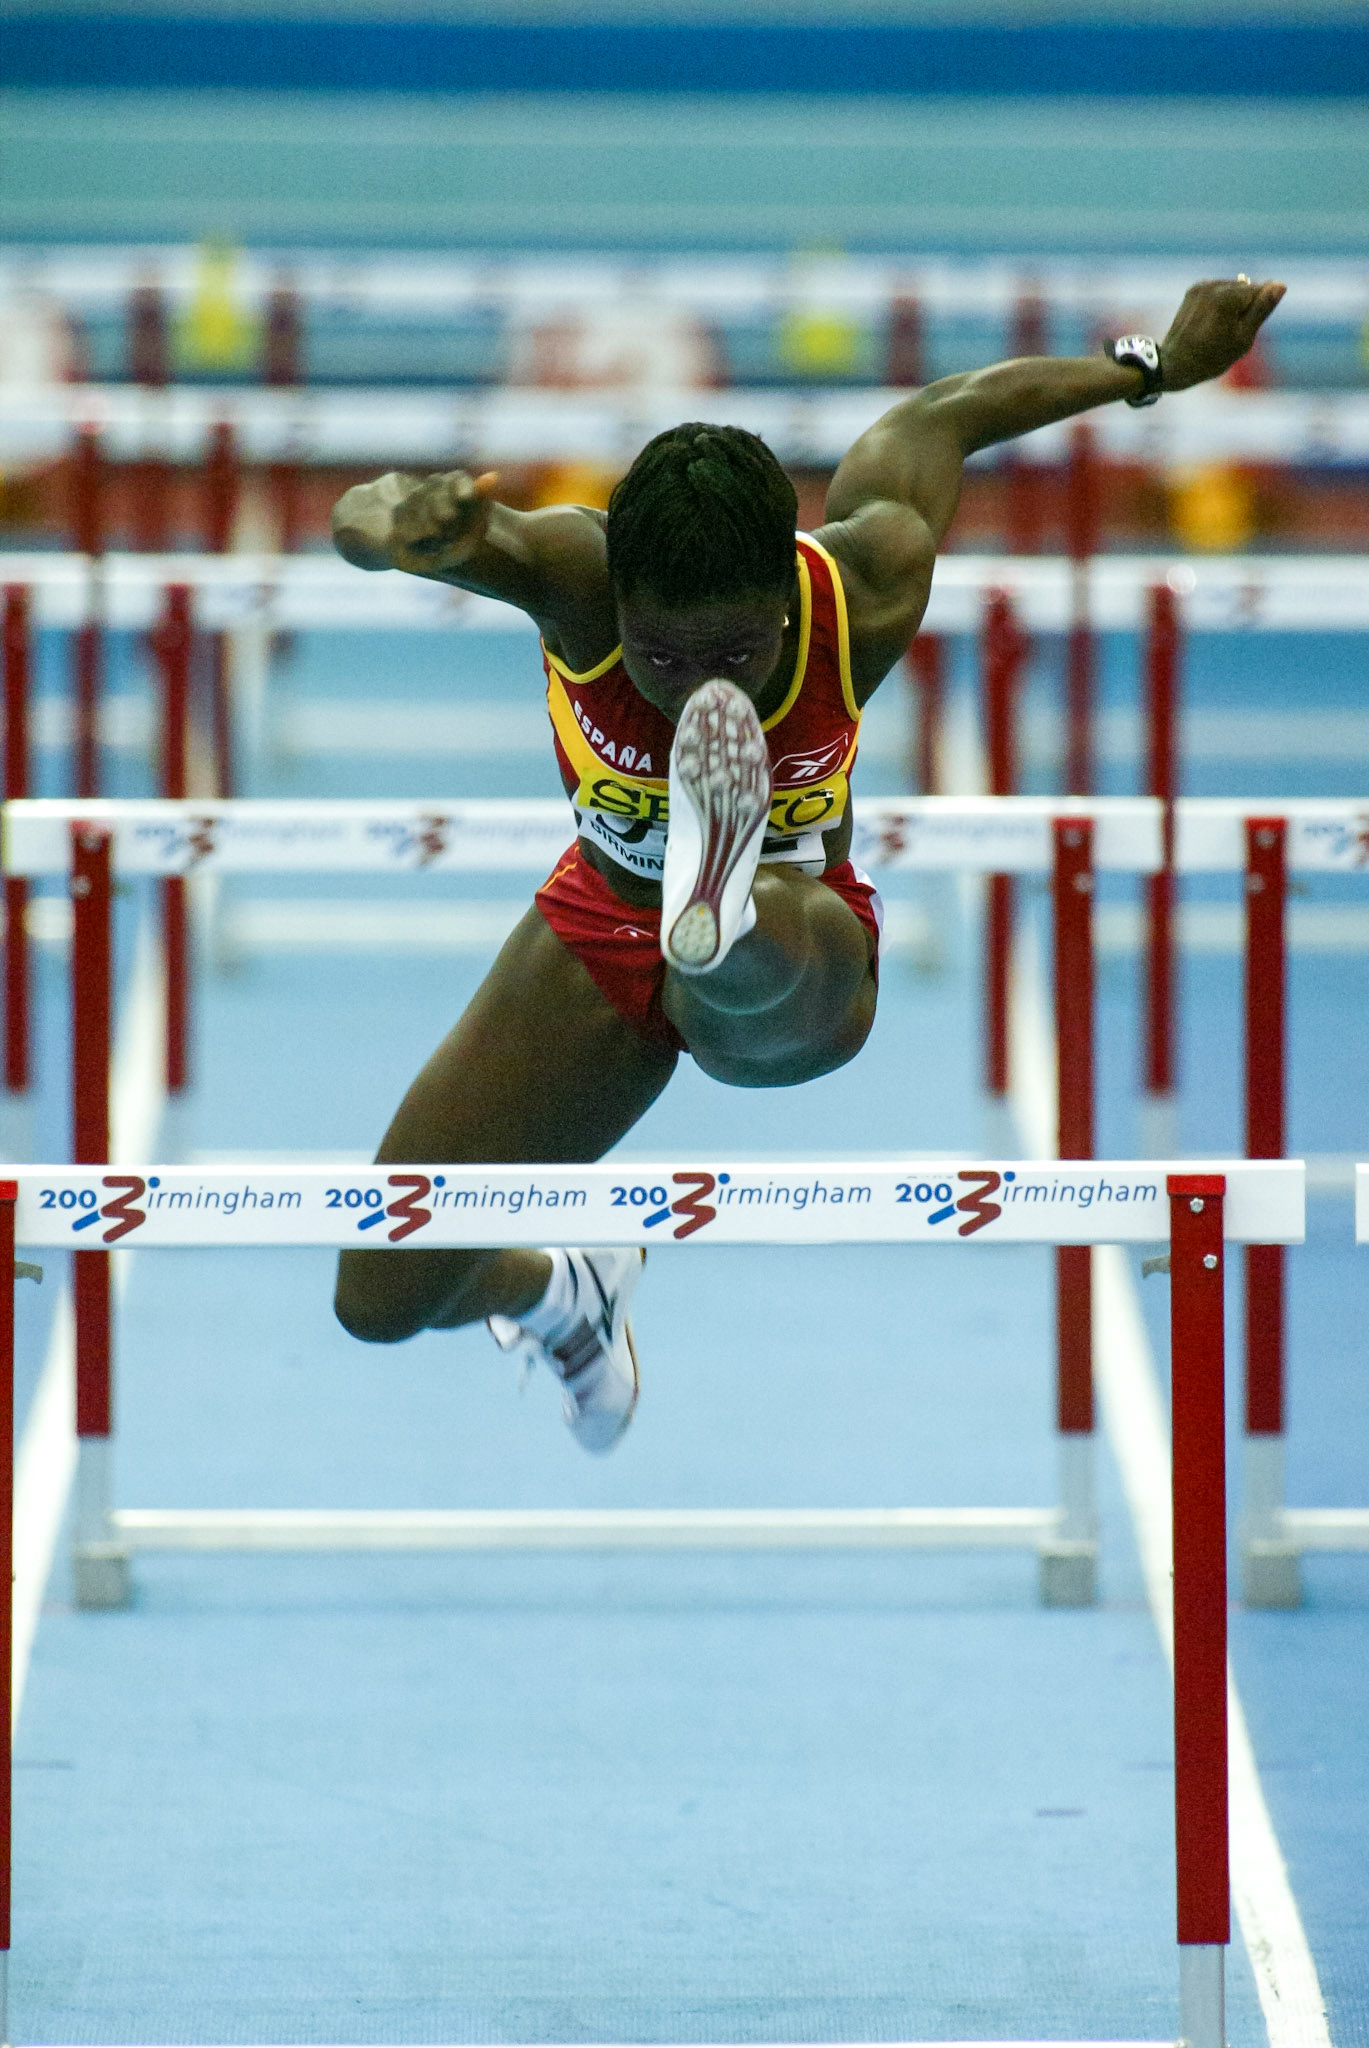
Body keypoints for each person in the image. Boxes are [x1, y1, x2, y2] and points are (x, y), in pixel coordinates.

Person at [330, 275, 1284, 1452]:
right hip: (596, 925)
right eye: (659, 656)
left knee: (736, 958)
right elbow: (363, 515)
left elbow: (945, 415)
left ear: (789, 594)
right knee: (381, 1297)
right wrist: (397, 531)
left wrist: (1152, 367)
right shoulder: (571, 572)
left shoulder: (861, 586)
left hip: (801, 952)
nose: (697, 686)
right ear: (617, 599)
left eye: (732, 650)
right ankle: (562, 1290)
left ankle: (725, 900)